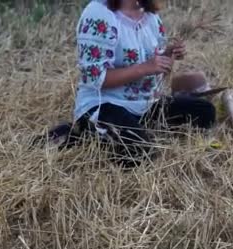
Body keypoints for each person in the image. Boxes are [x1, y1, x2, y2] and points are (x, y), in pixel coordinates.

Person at [42, 0, 216, 166]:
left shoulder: (150, 16)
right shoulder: (98, 15)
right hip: (103, 105)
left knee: (205, 112)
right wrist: (144, 68)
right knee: (138, 150)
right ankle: (78, 133)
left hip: (144, 104)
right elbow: (95, 78)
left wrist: (168, 55)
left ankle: (135, 127)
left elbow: (152, 64)